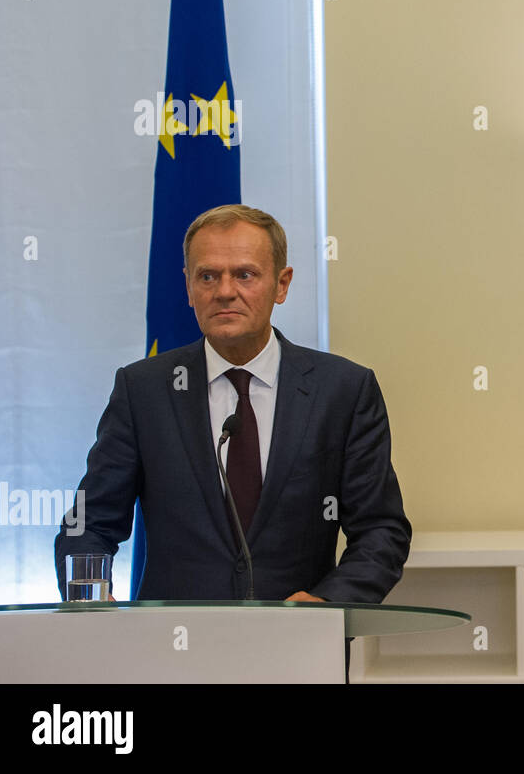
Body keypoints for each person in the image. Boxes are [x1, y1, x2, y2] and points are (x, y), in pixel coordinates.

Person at [55, 205, 411, 603]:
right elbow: (89, 523)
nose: (224, 291)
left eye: (245, 274)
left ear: (282, 284)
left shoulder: (343, 390)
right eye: (208, 276)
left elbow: (381, 529)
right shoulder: (142, 390)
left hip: (298, 643)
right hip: (172, 646)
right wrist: (88, 594)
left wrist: (329, 602)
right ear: (189, 286)